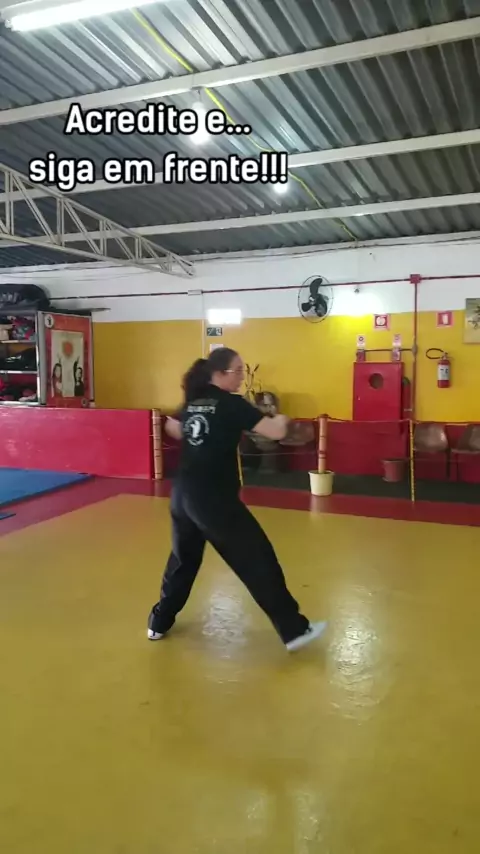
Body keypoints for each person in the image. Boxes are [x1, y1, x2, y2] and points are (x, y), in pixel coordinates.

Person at [147, 347, 326, 652]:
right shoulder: (231, 404)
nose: (242, 377)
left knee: (182, 561)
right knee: (257, 559)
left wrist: (200, 436)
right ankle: (294, 630)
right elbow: (273, 432)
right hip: (214, 500)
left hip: (182, 495)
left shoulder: (194, 401)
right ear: (220, 373)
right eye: (238, 371)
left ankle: (158, 622)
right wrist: (283, 419)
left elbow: (173, 427)